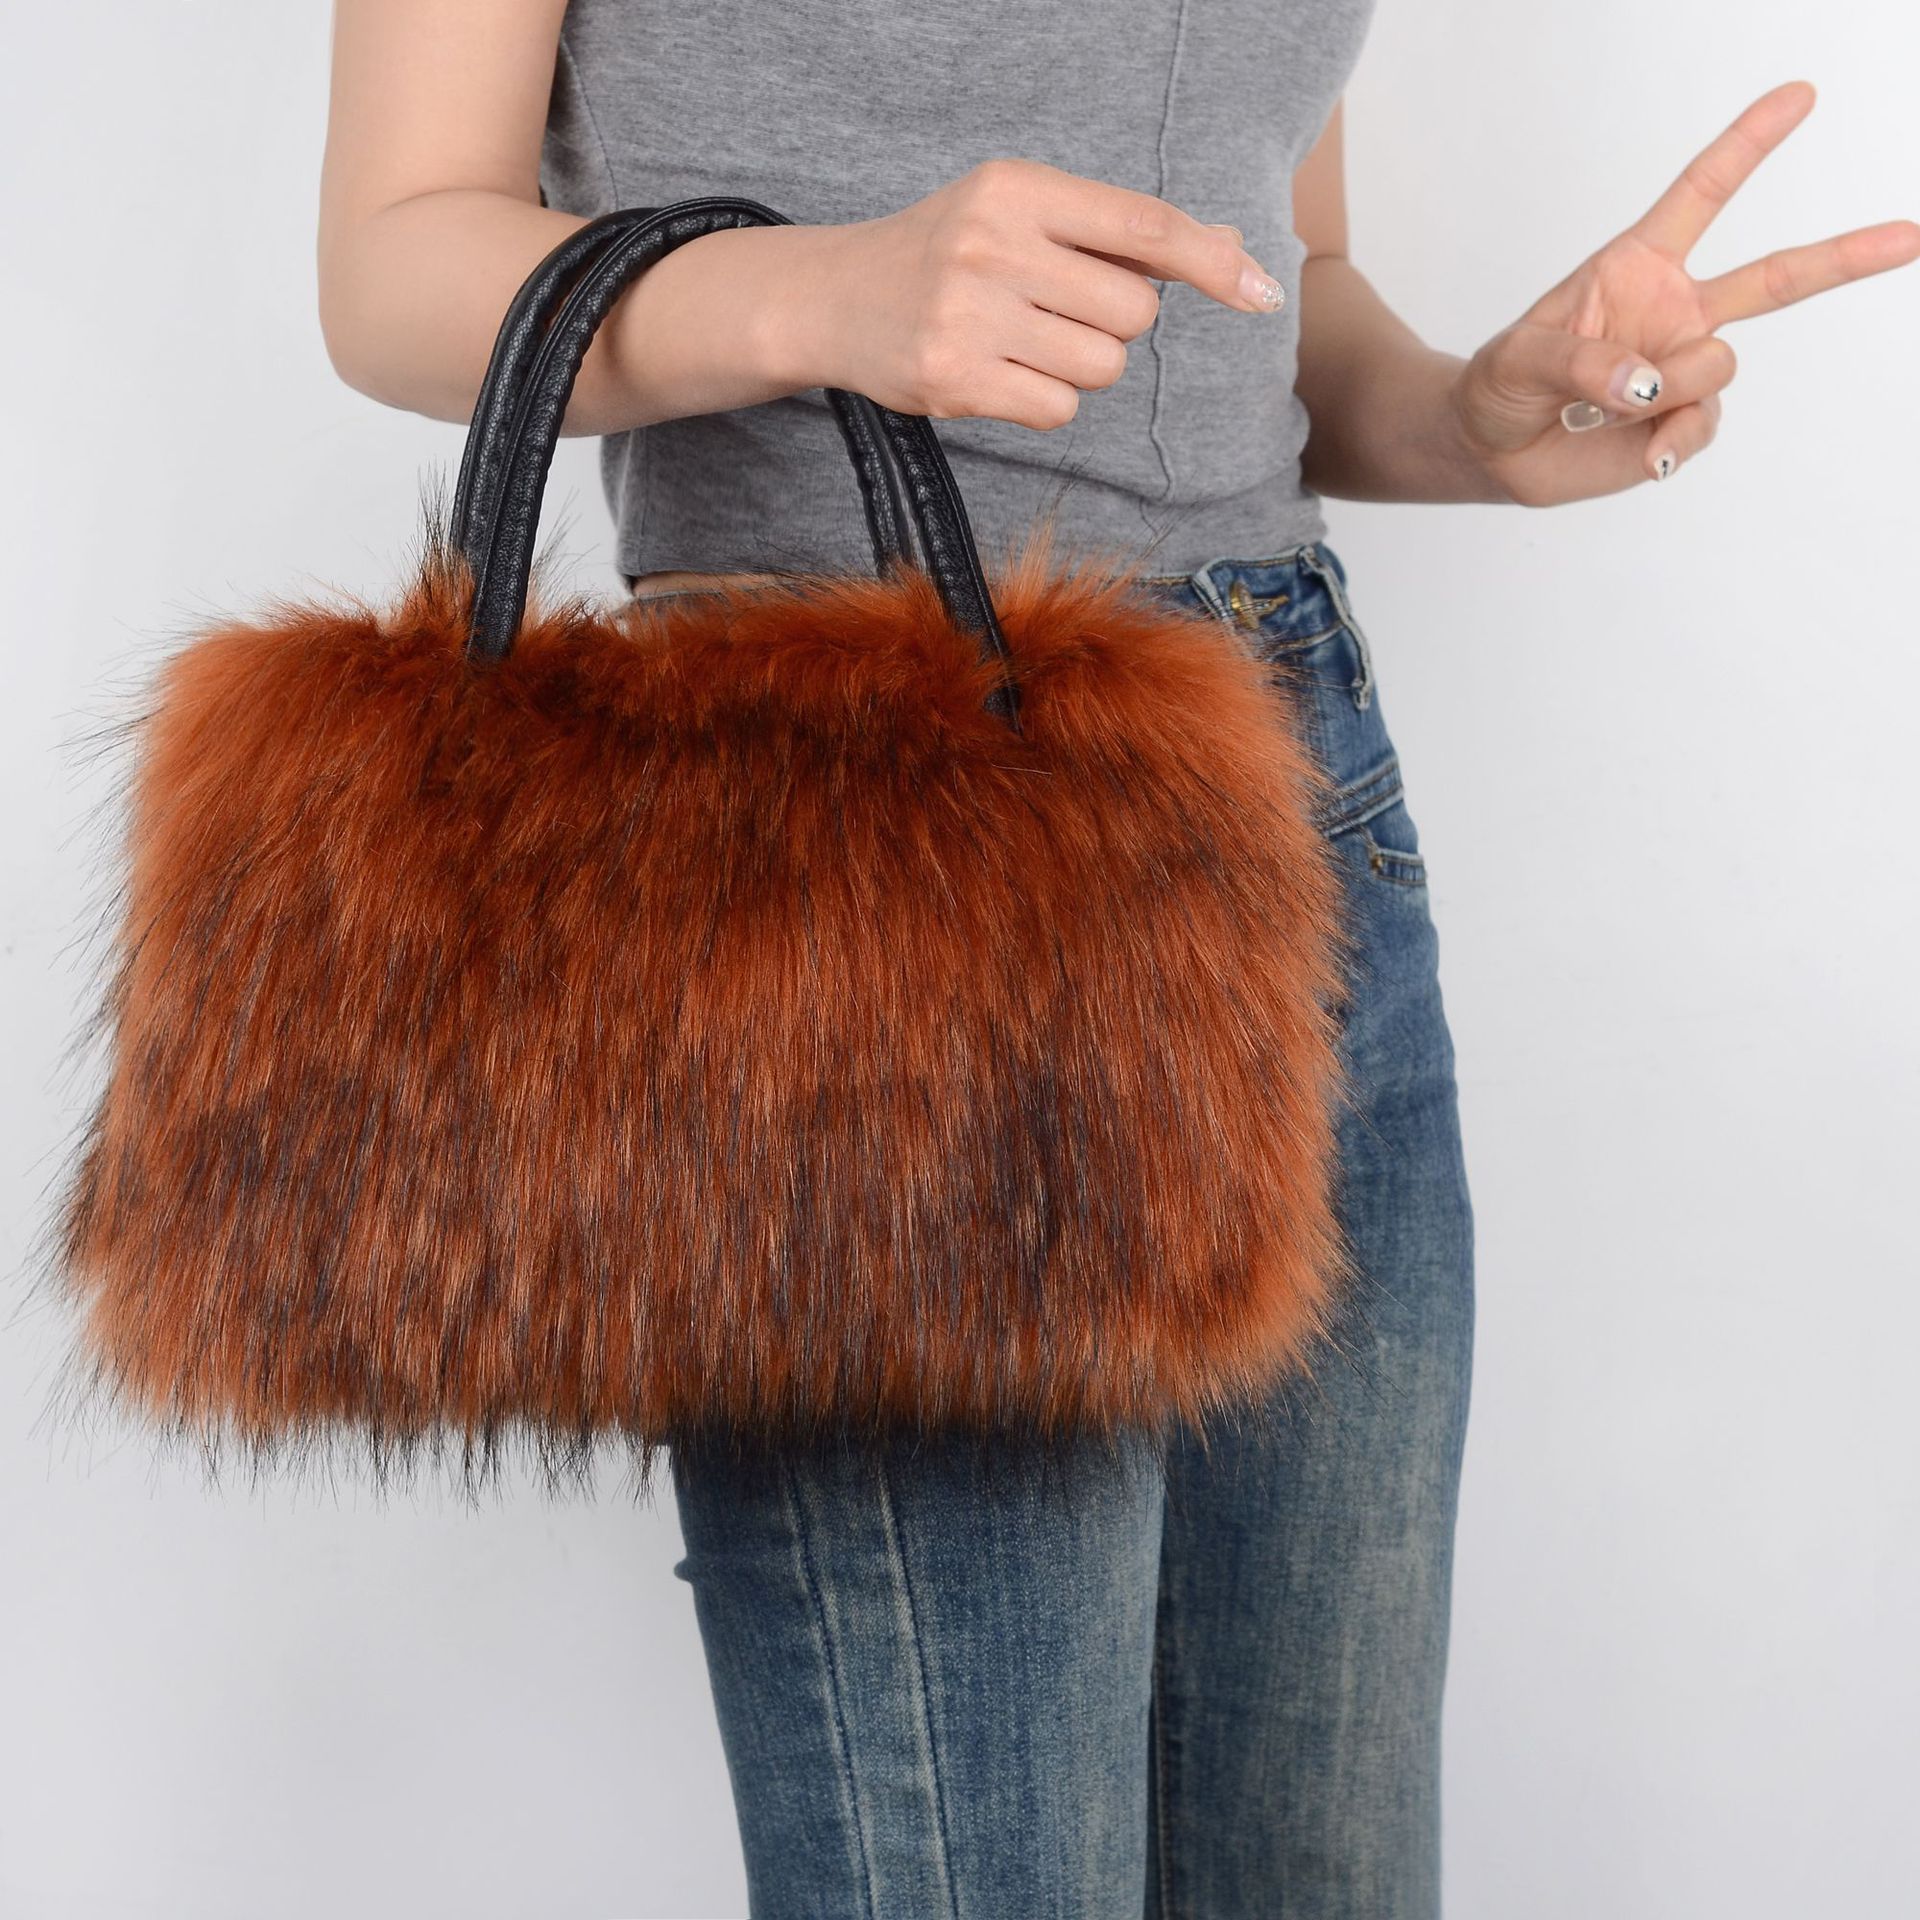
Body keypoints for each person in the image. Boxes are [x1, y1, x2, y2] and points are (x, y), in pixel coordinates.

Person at [316, 4, 1918, 1913]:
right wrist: (820, 292)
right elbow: (393, 253)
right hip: (864, 836)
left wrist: (1470, 419)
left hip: (1291, 792)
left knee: (1320, 1869)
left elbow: (1273, 279)